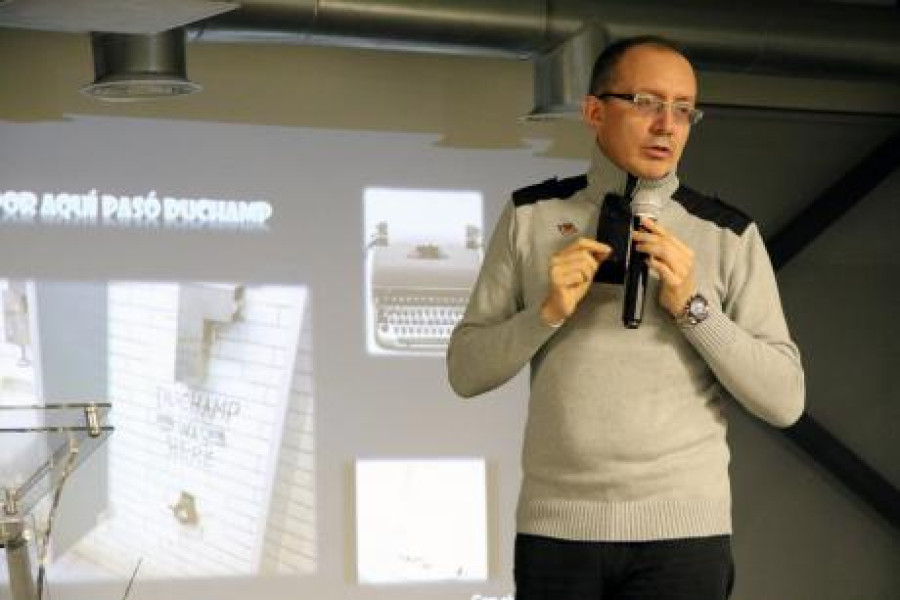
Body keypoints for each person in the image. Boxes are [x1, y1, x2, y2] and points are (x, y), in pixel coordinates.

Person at [446, 35, 805, 600]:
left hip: (685, 535)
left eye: (683, 110)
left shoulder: (729, 234)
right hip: (557, 530)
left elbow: (785, 400)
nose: (667, 125)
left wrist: (695, 310)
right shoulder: (531, 215)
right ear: (594, 111)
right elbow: (466, 372)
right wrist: (546, 313)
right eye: (646, 102)